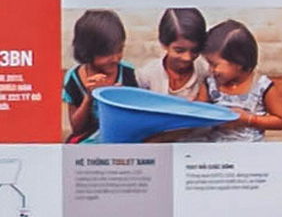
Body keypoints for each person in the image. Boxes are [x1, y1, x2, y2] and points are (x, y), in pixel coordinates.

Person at [198, 19, 282, 142]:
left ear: (238, 62)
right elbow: (198, 111)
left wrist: (249, 120)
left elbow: (281, 122)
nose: (210, 70)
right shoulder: (210, 84)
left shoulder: (261, 86)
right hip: (217, 147)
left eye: (214, 64)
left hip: (250, 148)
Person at [63, 10, 138, 143]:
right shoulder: (74, 78)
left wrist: (120, 99)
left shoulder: (128, 73)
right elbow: (77, 128)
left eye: (119, 50)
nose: (116, 58)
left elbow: (136, 120)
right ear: (88, 52)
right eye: (107, 53)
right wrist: (89, 98)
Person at [136, 8, 209, 100]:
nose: (187, 57)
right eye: (179, 50)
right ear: (164, 44)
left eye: (195, 50)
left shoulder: (205, 71)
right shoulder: (147, 76)